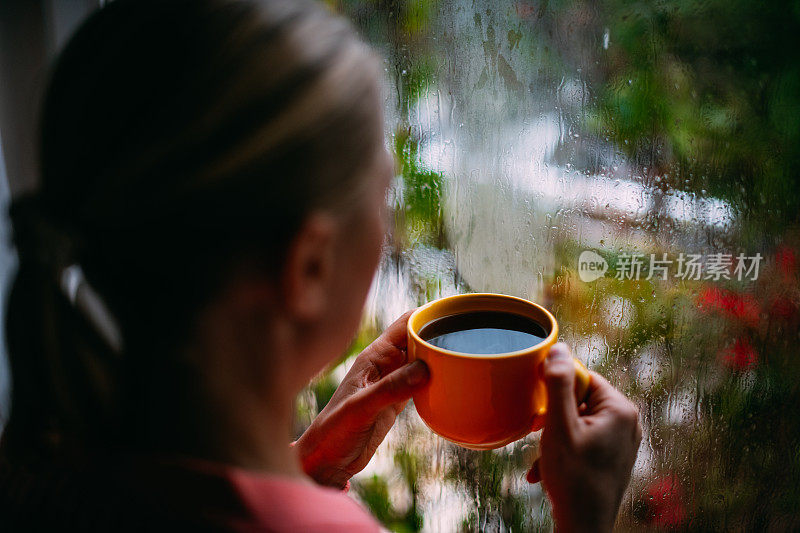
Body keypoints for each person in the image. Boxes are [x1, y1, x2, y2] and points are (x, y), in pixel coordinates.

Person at [0, 0, 642, 530]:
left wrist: (303, 471)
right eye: (380, 197)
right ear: (309, 266)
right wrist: (585, 518)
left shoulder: (54, 469)